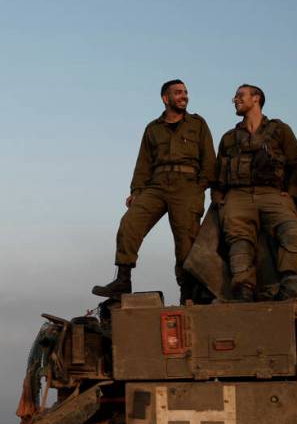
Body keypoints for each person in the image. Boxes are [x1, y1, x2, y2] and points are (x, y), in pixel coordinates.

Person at [92, 79, 216, 303]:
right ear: (165, 98)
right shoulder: (153, 128)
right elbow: (143, 163)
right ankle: (123, 279)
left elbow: (209, 158)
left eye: (186, 92)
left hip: (187, 184)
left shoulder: (197, 124)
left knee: (185, 242)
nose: (184, 96)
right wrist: (136, 190)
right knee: (130, 223)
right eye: (178, 92)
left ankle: (187, 292)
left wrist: (201, 185)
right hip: (156, 184)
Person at [213, 85, 297, 301]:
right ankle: (244, 288)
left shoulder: (280, 130)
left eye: (240, 95)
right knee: (239, 240)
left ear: (256, 98)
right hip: (237, 195)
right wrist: (219, 200)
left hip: (272, 193)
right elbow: (218, 173)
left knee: (292, 230)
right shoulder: (229, 137)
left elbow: (296, 164)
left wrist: (291, 193)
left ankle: (289, 283)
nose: (235, 99)